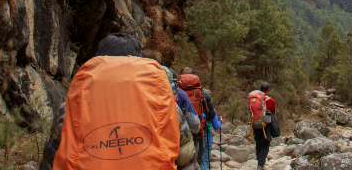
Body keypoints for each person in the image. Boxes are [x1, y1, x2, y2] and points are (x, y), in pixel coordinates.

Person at [39, 34, 198, 170]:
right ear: (140, 62)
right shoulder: (164, 105)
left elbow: (51, 159)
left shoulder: (70, 109)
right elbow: (186, 157)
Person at [179, 67, 220, 170]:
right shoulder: (203, 95)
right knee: (199, 160)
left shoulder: (174, 91)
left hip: (178, 132)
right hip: (198, 133)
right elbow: (213, 122)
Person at [249, 82, 276, 169]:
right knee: (265, 145)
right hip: (266, 126)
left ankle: (259, 161)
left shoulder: (254, 99)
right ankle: (260, 165)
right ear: (268, 90)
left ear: (259, 90)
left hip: (255, 124)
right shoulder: (271, 100)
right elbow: (273, 113)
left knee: (258, 143)